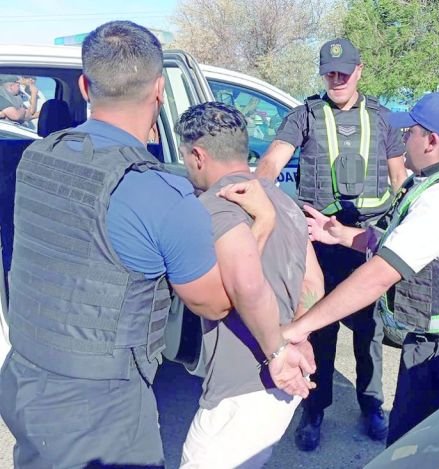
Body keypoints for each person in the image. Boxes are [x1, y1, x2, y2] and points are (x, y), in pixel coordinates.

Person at [0, 21, 311, 468]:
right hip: (97, 409)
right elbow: (215, 303)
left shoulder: (36, 157)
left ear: (85, 86)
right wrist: (261, 223)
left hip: (25, 375)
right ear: (161, 90)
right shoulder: (158, 193)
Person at [276, 92, 439, 446]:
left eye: (410, 132)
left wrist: (298, 328)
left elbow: (376, 278)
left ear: (431, 141)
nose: (402, 139)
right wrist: (343, 235)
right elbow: (413, 246)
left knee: (413, 448)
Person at [254, 37, 407, 451]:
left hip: (364, 240)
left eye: (344, 72)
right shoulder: (304, 116)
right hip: (318, 242)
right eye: (329, 73)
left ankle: (371, 404)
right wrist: (254, 197)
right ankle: (315, 410)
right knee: (319, 328)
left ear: (360, 70)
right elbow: (272, 161)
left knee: (369, 331)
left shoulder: (383, 119)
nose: (336, 79)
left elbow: (399, 179)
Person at [175, 102, 324, 468]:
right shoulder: (285, 203)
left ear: (198, 155)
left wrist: (277, 352)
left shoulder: (214, 207)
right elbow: (313, 281)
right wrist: (297, 337)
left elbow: (241, 288)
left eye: (185, 156)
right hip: (284, 374)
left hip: (245, 385)